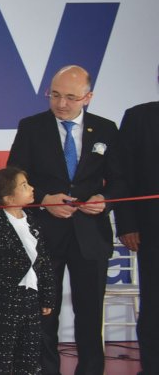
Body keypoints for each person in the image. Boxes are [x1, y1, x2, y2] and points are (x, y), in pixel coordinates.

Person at [7, 65, 118, 375]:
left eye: (70, 97)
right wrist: (43, 199)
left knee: (90, 314)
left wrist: (105, 200)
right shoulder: (31, 127)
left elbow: (121, 179)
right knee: (43, 313)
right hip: (44, 233)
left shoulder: (106, 129)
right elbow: (14, 175)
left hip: (90, 235)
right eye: (54, 95)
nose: (61, 103)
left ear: (88, 97)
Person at [0, 167, 55, 375]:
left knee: (29, 352)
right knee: (0, 355)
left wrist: (47, 296)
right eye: (24, 186)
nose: (32, 188)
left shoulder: (34, 223)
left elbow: (44, 263)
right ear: (8, 198)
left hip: (31, 299)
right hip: (4, 300)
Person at [112, 67, 159, 375]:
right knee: (154, 304)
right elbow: (122, 175)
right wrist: (127, 223)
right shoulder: (139, 117)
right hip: (152, 230)